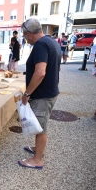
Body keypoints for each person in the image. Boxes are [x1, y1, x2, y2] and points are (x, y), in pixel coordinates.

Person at [18, 18, 61, 170]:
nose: (25, 38)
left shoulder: (40, 45)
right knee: (40, 124)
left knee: (41, 128)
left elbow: (40, 73)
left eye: (24, 35)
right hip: (50, 92)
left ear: (29, 34)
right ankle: (38, 149)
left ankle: (37, 160)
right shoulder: (52, 41)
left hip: (43, 95)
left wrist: (27, 93)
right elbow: (55, 68)